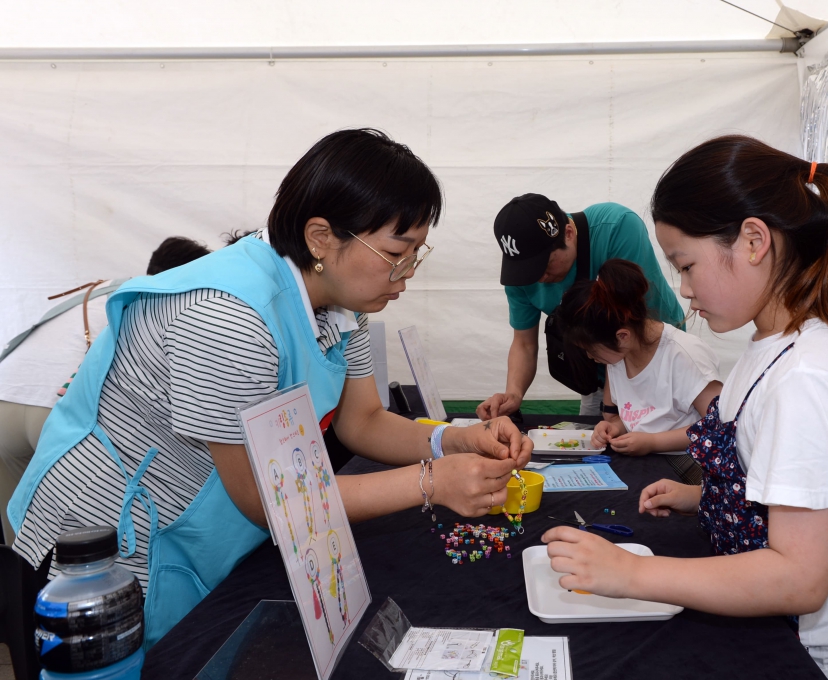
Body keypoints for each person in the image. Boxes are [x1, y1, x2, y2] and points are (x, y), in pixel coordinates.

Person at [8, 129, 531, 648]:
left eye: (419, 250)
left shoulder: (343, 303)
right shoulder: (229, 316)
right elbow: (266, 500)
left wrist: (455, 439)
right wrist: (431, 483)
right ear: (321, 236)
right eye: (398, 250)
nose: (409, 272)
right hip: (105, 551)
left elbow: (362, 421)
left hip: (196, 529)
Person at [542, 136, 828, 680]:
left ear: (752, 240)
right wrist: (704, 496)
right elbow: (778, 485)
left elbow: (799, 578)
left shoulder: (807, 377)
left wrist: (630, 574)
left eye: (688, 265)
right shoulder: (770, 343)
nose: (684, 290)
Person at [0, 237, 211, 544]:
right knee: (79, 544)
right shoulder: (156, 300)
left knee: (18, 539)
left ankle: (18, 590)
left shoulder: (102, 288)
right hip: (52, 410)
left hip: (5, 397)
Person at [476, 194, 685, 419]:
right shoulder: (520, 276)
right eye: (527, 270)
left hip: (656, 360)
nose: (538, 278)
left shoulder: (617, 227)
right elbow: (524, 344)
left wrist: (611, 410)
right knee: (595, 443)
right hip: (598, 367)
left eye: (543, 265)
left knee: (653, 441)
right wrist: (514, 394)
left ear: (568, 233)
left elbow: (633, 329)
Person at [557, 258, 720, 456]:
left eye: (592, 350)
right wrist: (615, 427)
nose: (590, 357)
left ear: (622, 336)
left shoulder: (684, 354)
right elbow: (640, 419)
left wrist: (653, 442)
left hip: (687, 464)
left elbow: (718, 426)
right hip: (647, 461)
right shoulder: (619, 356)